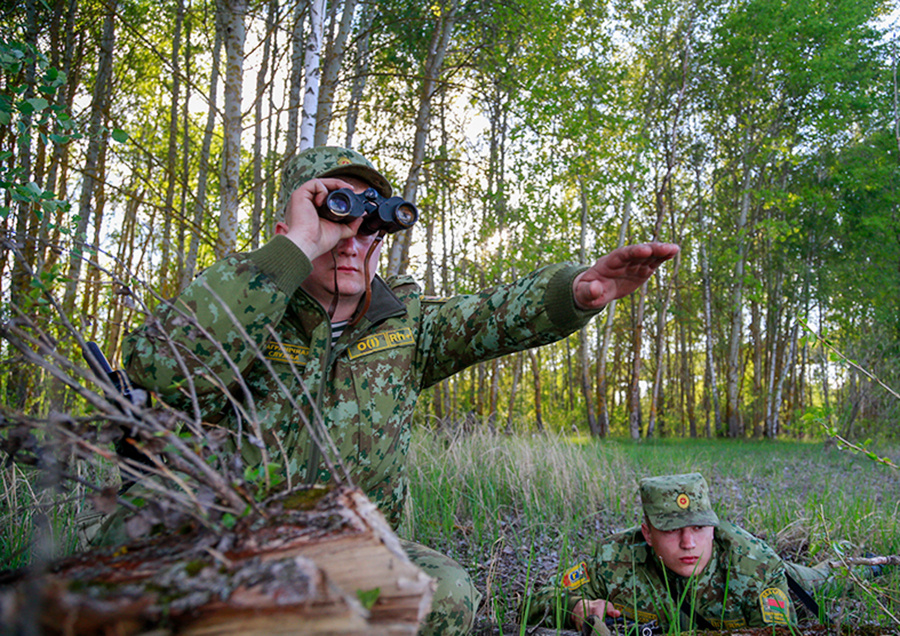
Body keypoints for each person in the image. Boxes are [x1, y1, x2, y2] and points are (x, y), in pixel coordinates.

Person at [119, 146, 680, 635]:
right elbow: (161, 369)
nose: (350, 241)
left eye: (367, 225)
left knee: (446, 594)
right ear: (290, 229)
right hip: (224, 548)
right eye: (333, 216)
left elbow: (493, 314)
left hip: (345, 552)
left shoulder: (404, 324)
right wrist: (293, 252)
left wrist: (576, 292)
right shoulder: (242, 308)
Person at [523, 472, 860, 633]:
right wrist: (574, 607)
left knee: (829, 578)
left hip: (790, 581)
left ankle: (861, 561)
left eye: (699, 528)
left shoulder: (754, 566)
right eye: (671, 530)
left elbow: (779, 633)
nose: (688, 543)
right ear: (648, 533)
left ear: (713, 527)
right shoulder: (613, 560)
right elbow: (533, 603)